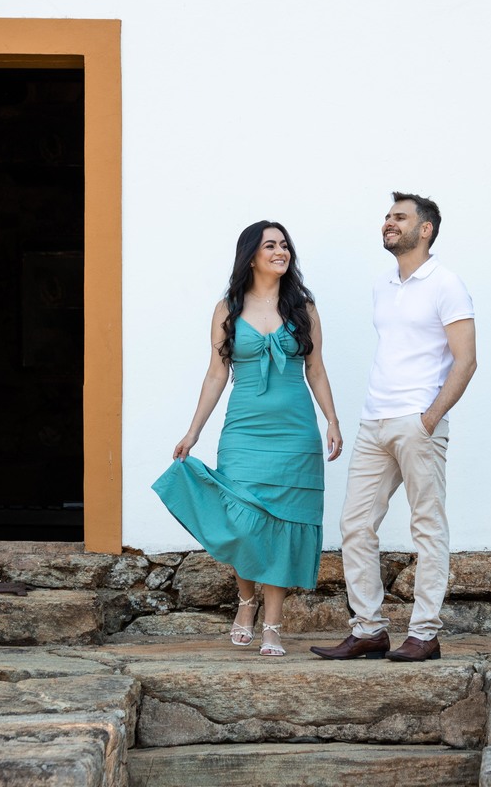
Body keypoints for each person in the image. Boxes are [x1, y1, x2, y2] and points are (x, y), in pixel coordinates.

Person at [152, 220, 343, 657]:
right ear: (251, 256)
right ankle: (245, 601)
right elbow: (216, 374)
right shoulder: (227, 308)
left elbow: (316, 369)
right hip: (243, 430)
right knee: (241, 520)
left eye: (284, 245)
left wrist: (332, 420)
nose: (280, 252)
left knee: (282, 525)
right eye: (270, 245)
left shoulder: (304, 308)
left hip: (296, 432)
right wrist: (193, 432)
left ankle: (273, 625)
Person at [310, 192, 476, 663]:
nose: (389, 222)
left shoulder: (446, 283)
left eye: (399, 217)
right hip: (374, 421)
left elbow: (466, 360)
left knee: (427, 526)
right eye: (387, 216)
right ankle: (368, 630)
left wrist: (430, 417)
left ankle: (424, 634)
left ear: (425, 229)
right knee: (355, 524)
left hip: (417, 421)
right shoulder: (383, 284)